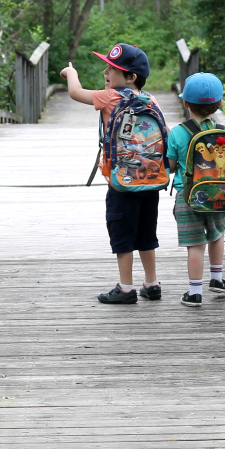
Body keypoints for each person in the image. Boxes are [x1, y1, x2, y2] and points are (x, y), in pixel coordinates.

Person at [60, 44, 164, 304]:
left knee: (123, 235)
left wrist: (69, 72)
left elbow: (75, 92)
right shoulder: (151, 100)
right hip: (151, 180)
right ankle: (152, 284)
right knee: (146, 234)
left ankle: (126, 288)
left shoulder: (110, 97)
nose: (105, 71)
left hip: (122, 184)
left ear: (130, 77)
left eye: (112, 68)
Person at [167, 72, 225, 307]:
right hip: (218, 195)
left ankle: (195, 293)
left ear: (185, 103)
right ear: (220, 103)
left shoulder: (178, 133)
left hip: (188, 197)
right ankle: (217, 279)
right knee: (217, 235)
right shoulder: (224, 132)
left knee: (195, 244)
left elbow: (171, 166)